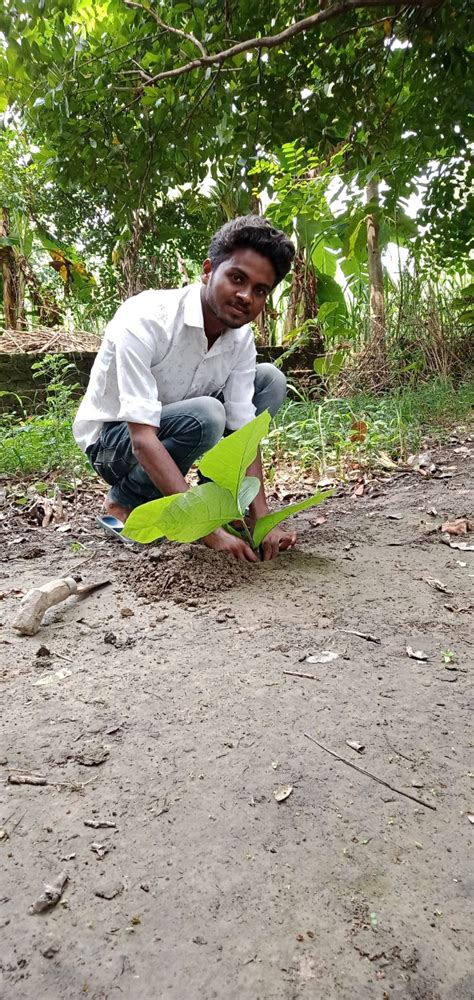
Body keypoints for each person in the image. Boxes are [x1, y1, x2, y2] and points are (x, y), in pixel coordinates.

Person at [73, 215, 296, 561]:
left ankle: (217, 506)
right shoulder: (145, 318)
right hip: (112, 442)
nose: (245, 296)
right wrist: (205, 533)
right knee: (206, 415)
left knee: (270, 381)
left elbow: (245, 432)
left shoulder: (240, 338)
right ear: (208, 271)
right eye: (237, 278)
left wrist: (262, 518)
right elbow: (143, 438)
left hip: (177, 424)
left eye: (260, 290)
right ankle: (124, 500)